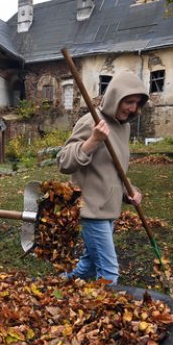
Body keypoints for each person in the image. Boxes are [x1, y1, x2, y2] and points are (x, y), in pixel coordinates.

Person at [57, 70, 147, 285]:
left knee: (88, 264)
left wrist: (130, 191)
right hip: (91, 209)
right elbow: (64, 162)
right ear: (116, 96)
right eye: (129, 102)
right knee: (109, 274)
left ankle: (59, 285)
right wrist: (93, 140)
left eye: (137, 103)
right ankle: (101, 314)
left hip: (110, 210)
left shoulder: (123, 128)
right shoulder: (91, 122)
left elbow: (114, 171)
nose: (133, 109)